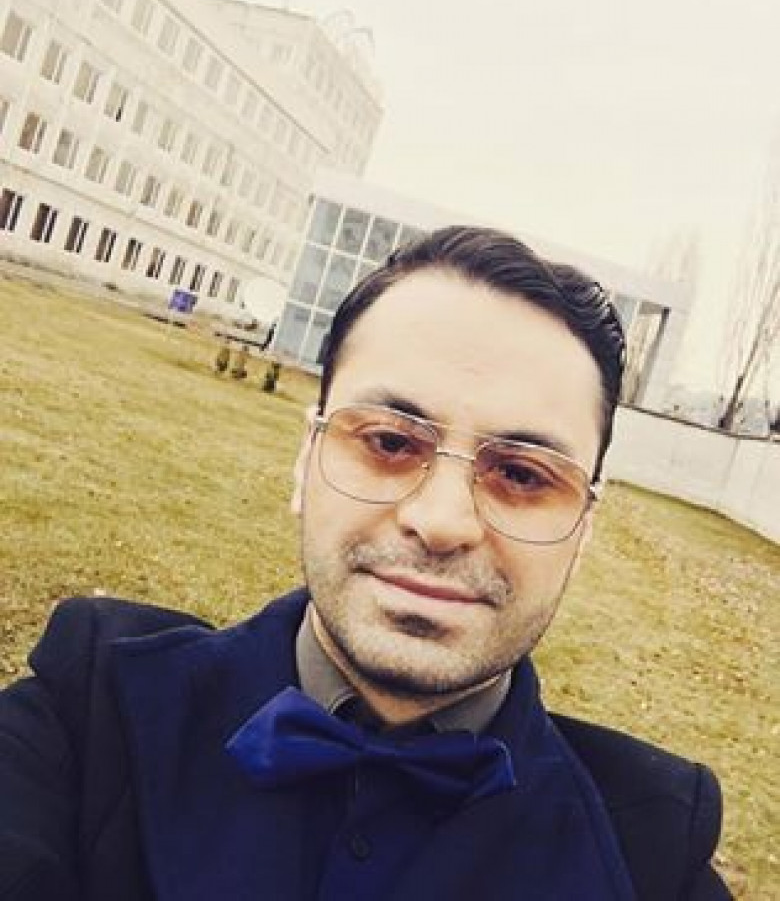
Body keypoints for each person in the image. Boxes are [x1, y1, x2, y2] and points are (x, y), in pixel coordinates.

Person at [0, 226, 731, 901]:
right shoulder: (89, 712)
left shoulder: (654, 852)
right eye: (388, 442)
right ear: (305, 462)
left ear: (582, 530)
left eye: (522, 474)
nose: (441, 522)